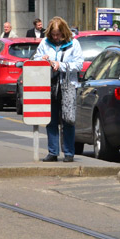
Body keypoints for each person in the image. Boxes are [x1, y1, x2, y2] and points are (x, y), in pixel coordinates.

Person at [33, 16, 83, 163]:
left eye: (58, 34)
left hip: (67, 85)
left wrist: (60, 65)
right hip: (50, 85)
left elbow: (79, 64)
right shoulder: (44, 42)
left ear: (64, 32)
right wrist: (42, 59)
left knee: (68, 120)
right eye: (53, 34)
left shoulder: (74, 44)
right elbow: (35, 58)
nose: (55, 37)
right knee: (51, 120)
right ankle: (53, 152)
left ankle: (68, 153)